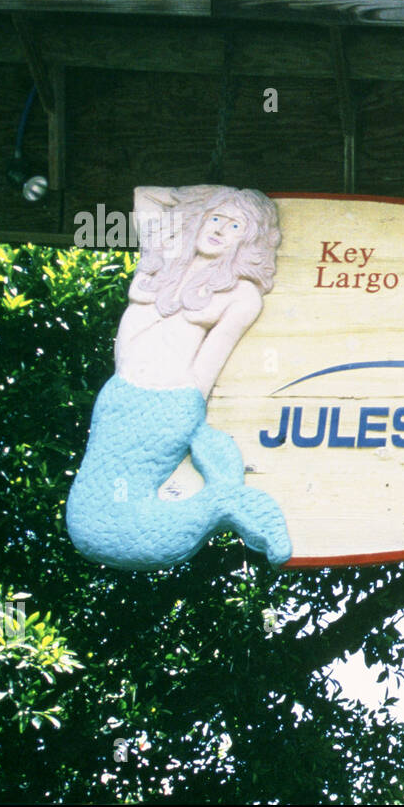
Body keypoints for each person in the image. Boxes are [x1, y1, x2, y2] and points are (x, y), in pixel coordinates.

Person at [66, 185, 292, 570]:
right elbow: (145, 196)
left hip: (167, 402)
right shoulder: (165, 261)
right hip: (118, 395)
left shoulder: (241, 295)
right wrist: (206, 197)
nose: (219, 229)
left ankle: (227, 502)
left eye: (235, 225)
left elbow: (208, 366)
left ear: (248, 241)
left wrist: (186, 413)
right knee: (95, 501)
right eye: (215, 218)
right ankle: (224, 494)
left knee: (106, 524)